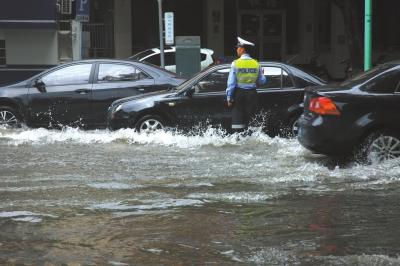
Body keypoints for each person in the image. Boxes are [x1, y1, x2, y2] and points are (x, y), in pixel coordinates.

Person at [226, 37, 267, 133]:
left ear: (242, 49)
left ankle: (239, 141)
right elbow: (262, 81)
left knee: (238, 124)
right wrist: (262, 74)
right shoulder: (256, 64)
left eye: (238, 48)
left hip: (239, 95)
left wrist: (229, 98)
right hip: (252, 95)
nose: (237, 50)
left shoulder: (235, 63)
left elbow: (231, 83)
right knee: (253, 123)